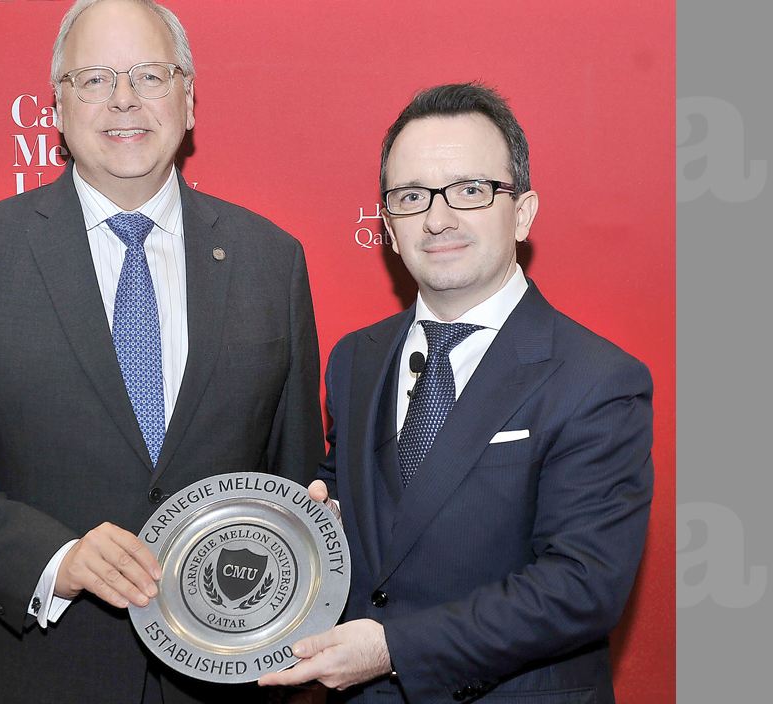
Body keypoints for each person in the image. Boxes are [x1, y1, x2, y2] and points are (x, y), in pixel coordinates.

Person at [0, 1, 324, 702]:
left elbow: (292, 475)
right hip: (36, 676)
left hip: (222, 679)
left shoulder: (272, 261)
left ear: (189, 101)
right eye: (93, 80)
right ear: (56, 108)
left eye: (150, 74)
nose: (124, 98)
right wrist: (60, 560)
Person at [259, 83, 653, 703]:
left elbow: (582, 587)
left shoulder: (597, 380)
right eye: (411, 197)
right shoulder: (354, 358)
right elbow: (359, 501)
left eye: (471, 190)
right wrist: (319, 518)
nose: (438, 219)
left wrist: (394, 649)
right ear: (388, 224)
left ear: (522, 212)